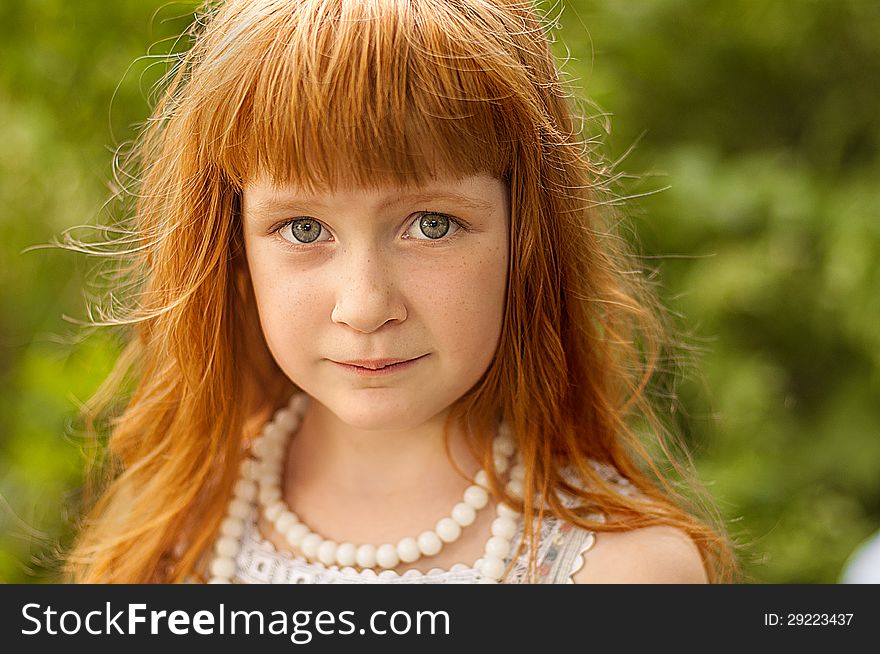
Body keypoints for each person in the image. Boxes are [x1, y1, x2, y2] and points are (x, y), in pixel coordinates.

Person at [62, 0, 738, 584]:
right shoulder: (177, 530)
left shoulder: (621, 575)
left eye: (431, 225)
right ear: (232, 248)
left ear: (527, 236)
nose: (364, 305)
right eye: (303, 227)